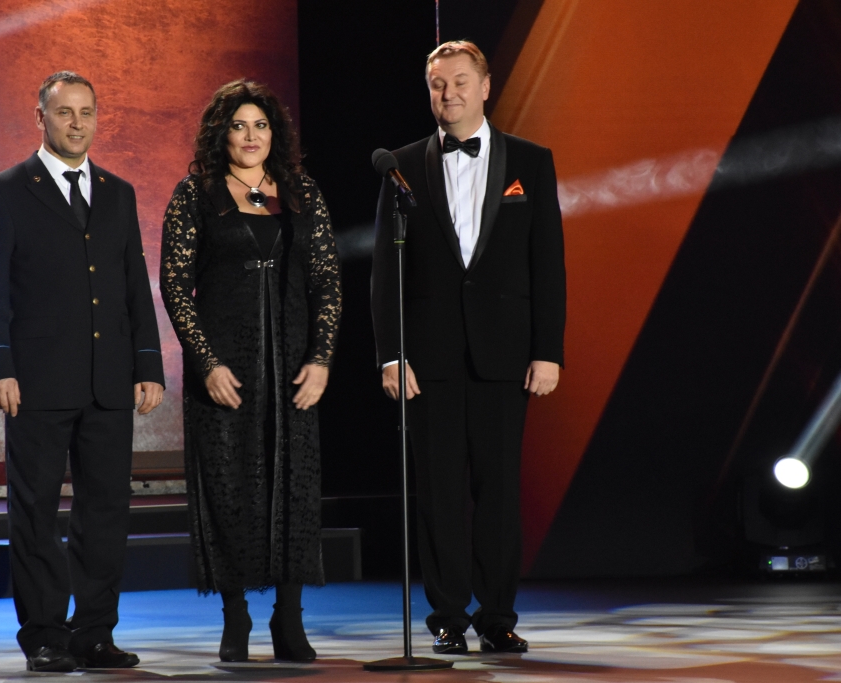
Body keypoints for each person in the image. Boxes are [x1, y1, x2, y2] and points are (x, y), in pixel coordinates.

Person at [370, 41, 566, 655]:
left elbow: (548, 263)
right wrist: (391, 353)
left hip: (505, 356)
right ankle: (448, 617)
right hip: (428, 360)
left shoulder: (531, 162)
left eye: (459, 82)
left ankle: (498, 616)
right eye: (437, 84)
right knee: (439, 493)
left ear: (485, 87)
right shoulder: (400, 166)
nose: (447, 93)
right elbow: (385, 273)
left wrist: (548, 350)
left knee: (499, 491)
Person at [0, 71, 165, 672]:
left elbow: (134, 285)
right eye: (64, 113)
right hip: (35, 383)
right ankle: (45, 636)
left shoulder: (118, 192)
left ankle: (94, 633)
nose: (77, 124)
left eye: (86, 112)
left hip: (109, 382)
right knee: (34, 514)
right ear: (41, 118)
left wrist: (148, 365)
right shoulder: (5, 191)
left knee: (106, 513)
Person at [160, 79, 341, 663]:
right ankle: (235, 616)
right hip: (224, 372)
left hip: (293, 369)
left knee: (294, 487)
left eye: (260, 125)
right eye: (238, 126)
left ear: (274, 133)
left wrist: (321, 359)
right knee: (229, 488)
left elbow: (327, 281)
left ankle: (289, 618)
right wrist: (206, 362)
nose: (250, 136)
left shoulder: (302, 191)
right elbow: (175, 286)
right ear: (222, 135)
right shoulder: (195, 194)